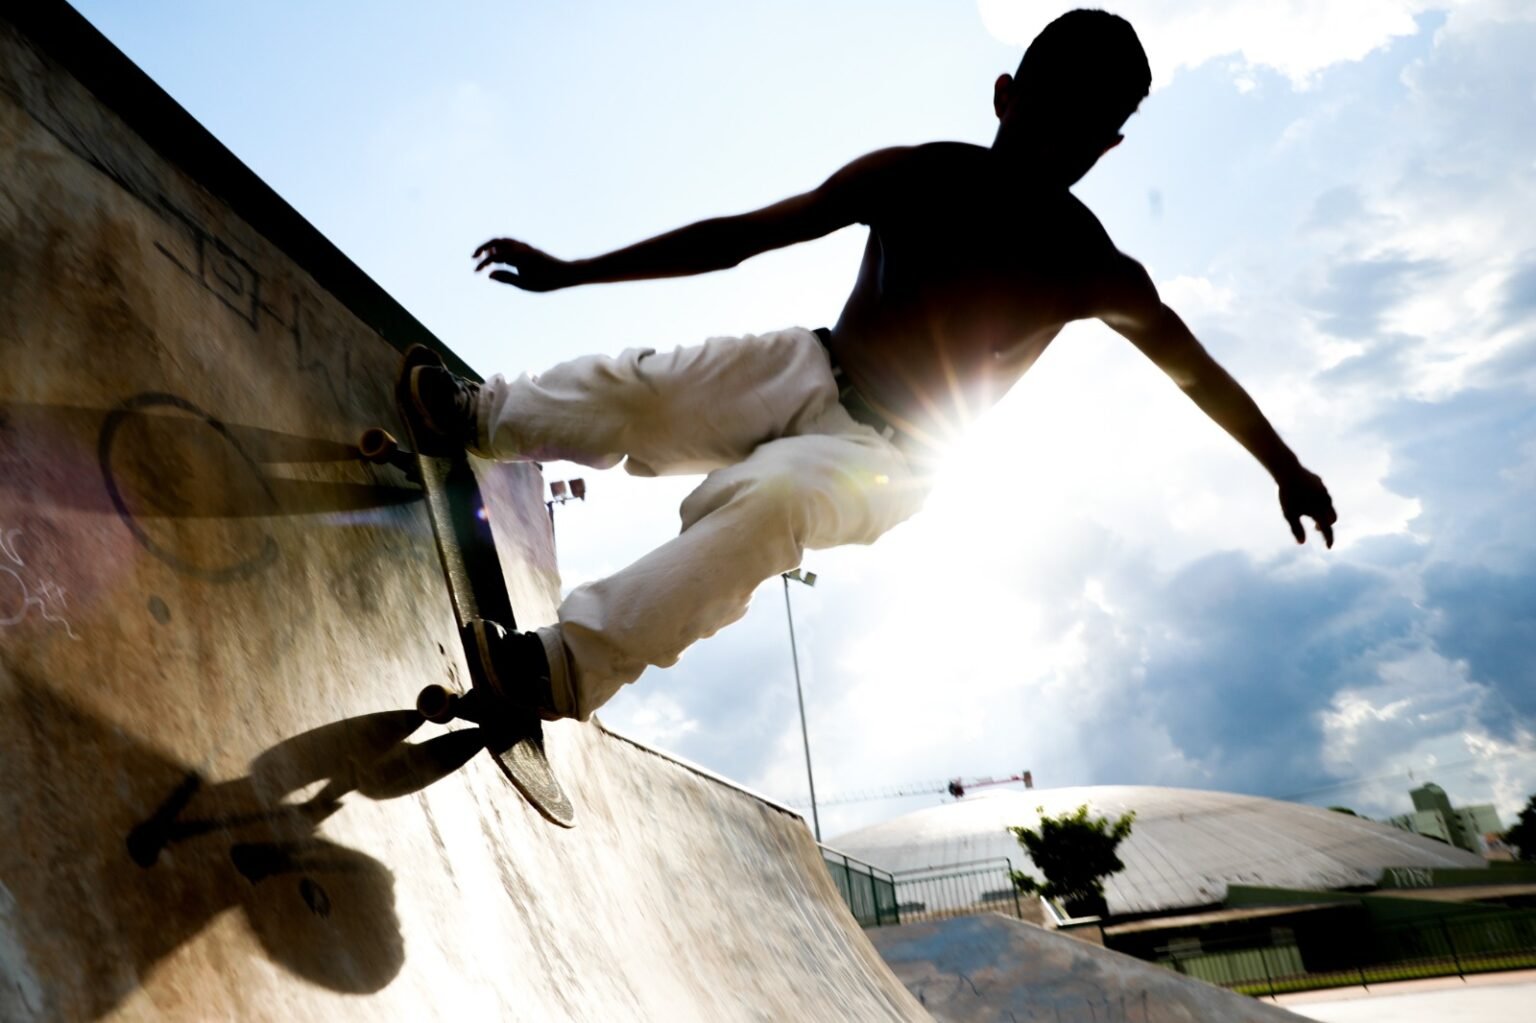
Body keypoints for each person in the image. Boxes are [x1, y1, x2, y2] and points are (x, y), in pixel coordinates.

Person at [408, 9, 1337, 723]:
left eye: (1083, 138)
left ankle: (559, 667)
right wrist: (576, 271)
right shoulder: (914, 175)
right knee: (650, 390)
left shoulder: (1091, 266)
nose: (1056, 152)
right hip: (810, 367)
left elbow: (1195, 371)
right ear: (1007, 95)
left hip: (896, 458)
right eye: (1049, 120)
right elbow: (740, 239)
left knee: (771, 503)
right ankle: (482, 415)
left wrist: (1285, 467)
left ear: (1110, 146)